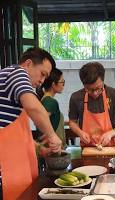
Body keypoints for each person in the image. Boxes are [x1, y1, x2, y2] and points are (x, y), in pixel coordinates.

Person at [0, 47, 62, 200]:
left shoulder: (13, 87)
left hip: (14, 168)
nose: (41, 81)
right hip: (5, 171)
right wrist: (52, 136)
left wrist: (40, 149)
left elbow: (15, 133)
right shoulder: (17, 72)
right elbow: (34, 107)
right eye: (42, 74)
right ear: (28, 64)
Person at [68, 62, 115, 147]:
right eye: (89, 89)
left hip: (111, 148)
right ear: (83, 84)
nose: (95, 93)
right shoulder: (76, 97)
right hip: (87, 148)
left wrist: (110, 134)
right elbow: (72, 123)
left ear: (103, 80)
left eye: (98, 88)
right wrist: (80, 133)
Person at [37, 68, 67, 149]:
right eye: (62, 82)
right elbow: (41, 120)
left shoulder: (45, 99)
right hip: (53, 149)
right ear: (53, 84)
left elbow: (51, 121)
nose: (63, 85)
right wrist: (48, 137)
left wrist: (68, 123)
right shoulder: (50, 102)